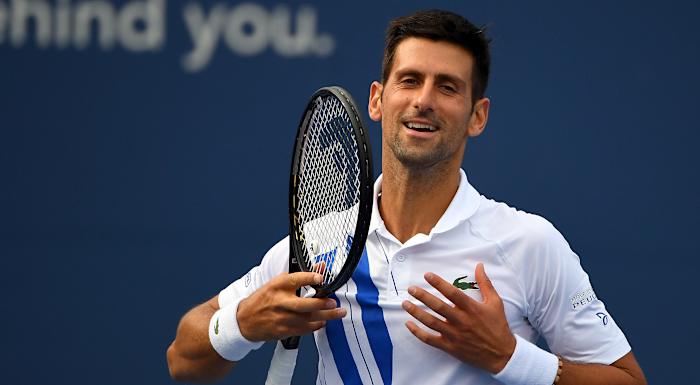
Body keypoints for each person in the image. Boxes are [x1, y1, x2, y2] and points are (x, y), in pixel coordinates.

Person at [167, 9, 647, 385]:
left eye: (448, 87)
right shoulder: (316, 246)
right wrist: (242, 323)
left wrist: (510, 359)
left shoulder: (529, 244)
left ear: (477, 116)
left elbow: (627, 380)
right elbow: (182, 359)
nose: (424, 101)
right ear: (378, 99)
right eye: (410, 80)